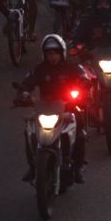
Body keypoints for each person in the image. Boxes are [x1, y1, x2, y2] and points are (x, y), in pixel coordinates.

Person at [15, 34, 89, 182]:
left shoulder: (72, 67)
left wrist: (82, 87)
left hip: (69, 107)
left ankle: (77, 167)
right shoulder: (39, 69)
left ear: (62, 53)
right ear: (44, 54)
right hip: (45, 109)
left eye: (56, 52)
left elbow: (84, 78)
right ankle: (32, 166)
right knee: (29, 131)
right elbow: (27, 82)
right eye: (49, 53)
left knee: (80, 132)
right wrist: (23, 93)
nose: (52, 56)